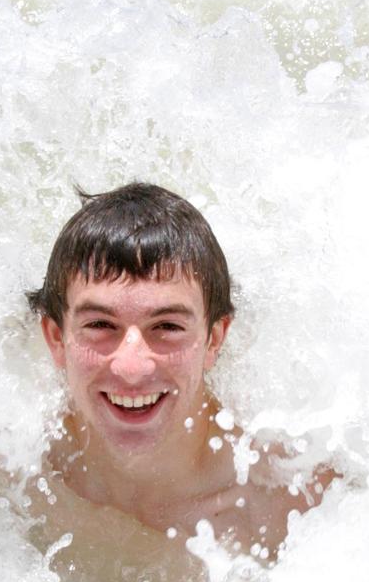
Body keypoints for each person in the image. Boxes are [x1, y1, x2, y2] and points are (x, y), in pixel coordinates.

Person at [21, 182, 332, 562]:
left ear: (214, 340)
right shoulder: (3, 470)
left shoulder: (294, 505)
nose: (132, 369)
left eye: (167, 327)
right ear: (56, 338)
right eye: (101, 325)